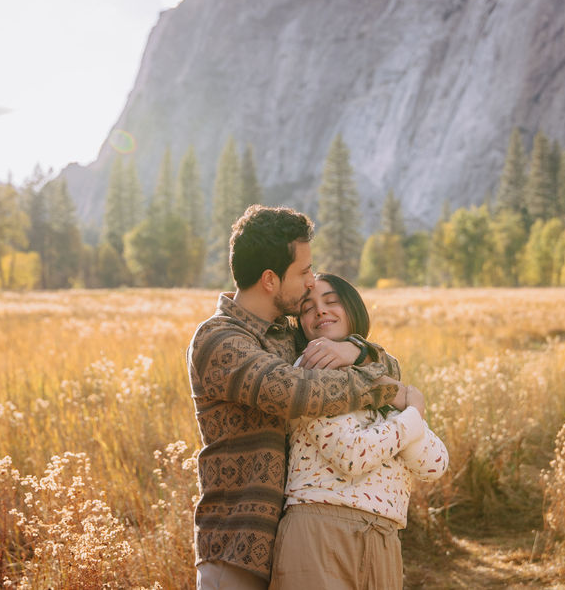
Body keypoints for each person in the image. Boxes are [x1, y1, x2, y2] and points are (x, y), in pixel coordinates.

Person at [188, 205, 404, 589]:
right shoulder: (219, 340)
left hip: (298, 545)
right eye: (304, 272)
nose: (310, 283)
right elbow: (296, 393)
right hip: (238, 549)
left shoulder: (289, 335)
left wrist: (358, 351)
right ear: (270, 279)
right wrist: (384, 384)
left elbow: (385, 366)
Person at [269, 273, 449, 590]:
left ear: (353, 308)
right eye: (308, 308)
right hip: (321, 532)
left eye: (331, 301)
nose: (320, 311)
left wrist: (397, 415)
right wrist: (412, 413)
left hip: (382, 537)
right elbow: (353, 455)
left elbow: (434, 464)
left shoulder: (379, 376)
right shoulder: (311, 371)